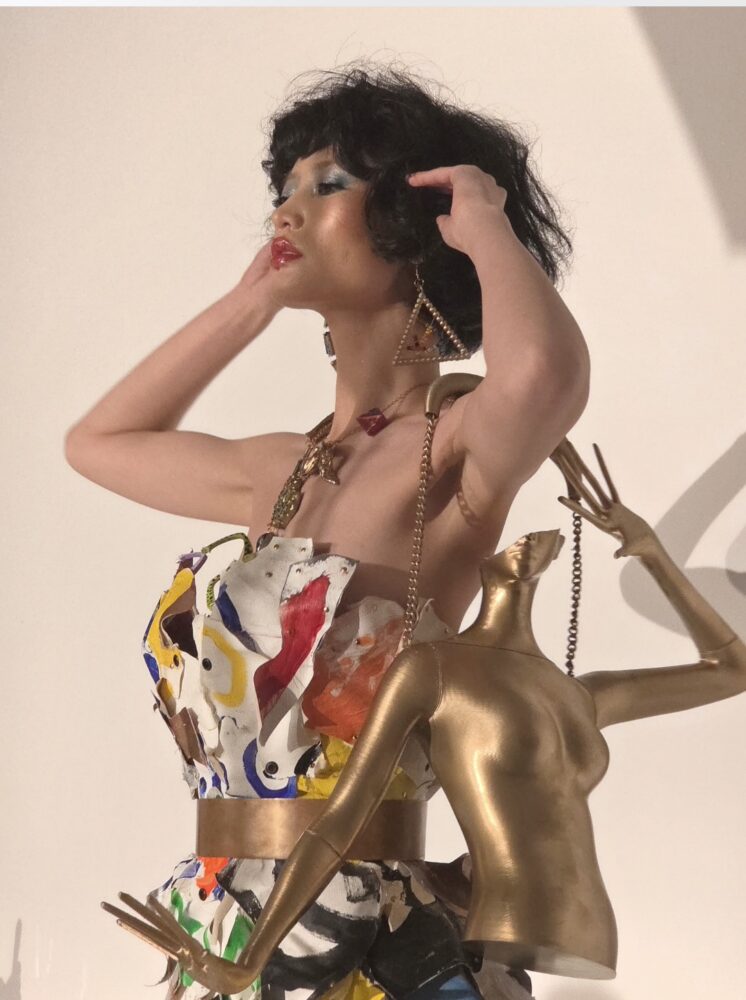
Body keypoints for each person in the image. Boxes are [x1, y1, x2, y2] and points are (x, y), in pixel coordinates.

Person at [65, 63, 589, 1000]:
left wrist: (484, 225)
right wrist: (249, 303)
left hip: (373, 938)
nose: (287, 210)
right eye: (285, 186)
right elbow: (97, 444)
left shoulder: (451, 449)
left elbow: (542, 379)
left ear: (411, 225)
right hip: (223, 922)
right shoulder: (281, 468)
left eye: (329, 183)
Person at [103, 441, 746, 994]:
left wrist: (650, 550)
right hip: (465, 919)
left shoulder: (577, 694)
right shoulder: (437, 669)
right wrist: (251, 959)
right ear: (479, 566)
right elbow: (340, 823)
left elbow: (731, 669)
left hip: (582, 931)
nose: (523, 542)